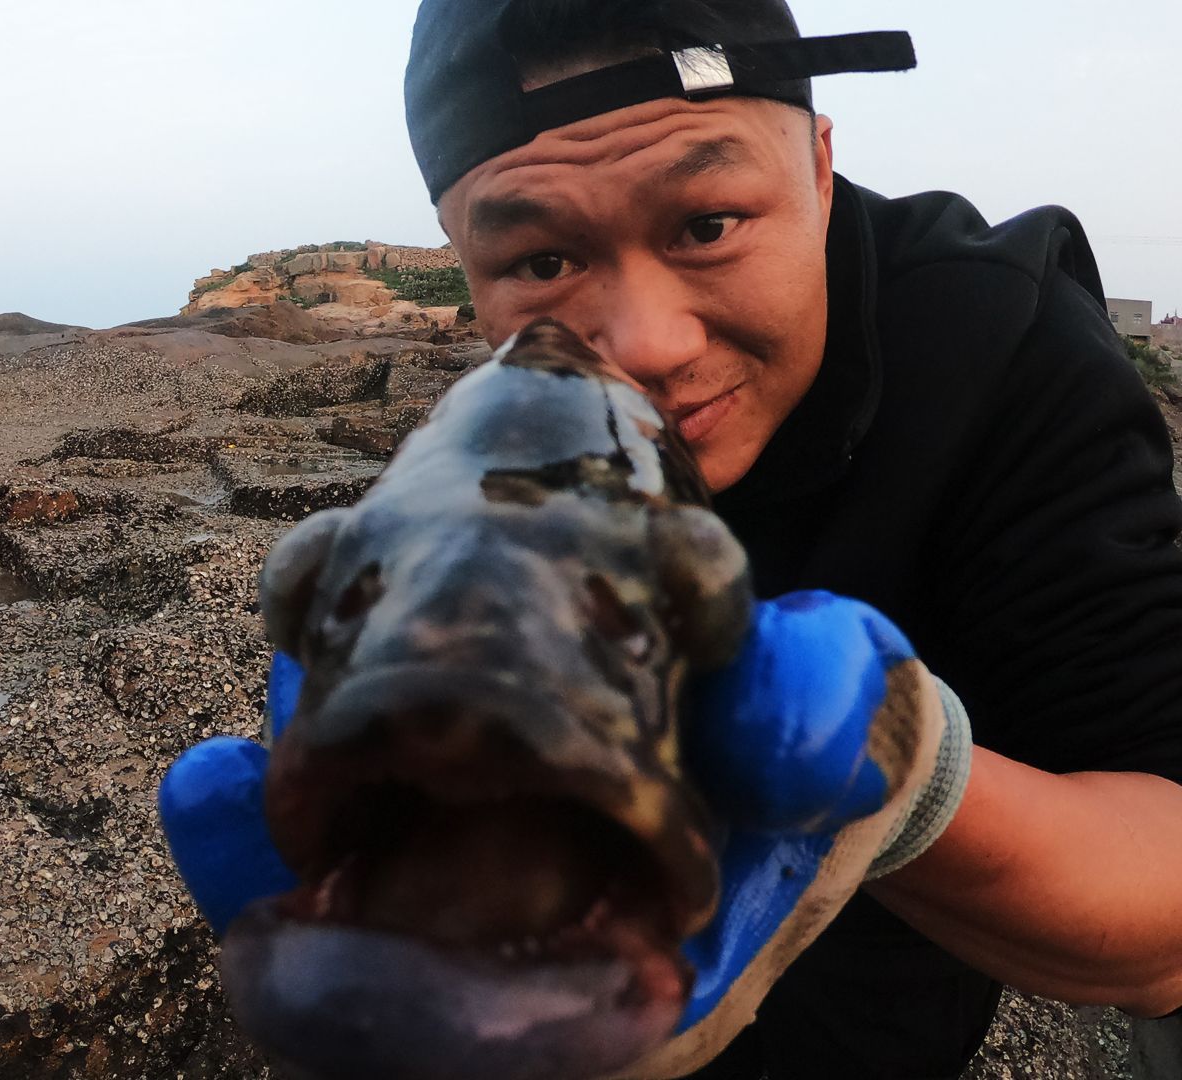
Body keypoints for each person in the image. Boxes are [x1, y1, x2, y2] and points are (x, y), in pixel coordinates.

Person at [163, 1, 1182, 1076]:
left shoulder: (1007, 351)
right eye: (542, 260)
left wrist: (913, 779)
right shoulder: (466, 453)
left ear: (820, 168)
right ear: (466, 262)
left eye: (708, 226)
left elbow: (1165, 915)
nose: (648, 344)